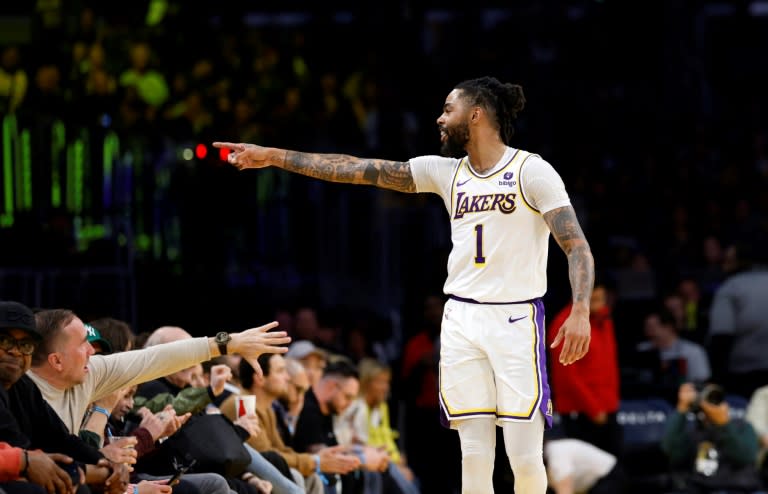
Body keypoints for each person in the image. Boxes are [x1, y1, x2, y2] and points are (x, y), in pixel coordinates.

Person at [214, 75, 595, 493]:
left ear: (476, 114)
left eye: (448, 110)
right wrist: (274, 156)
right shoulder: (447, 173)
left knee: (523, 455)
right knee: (473, 453)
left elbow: (576, 246)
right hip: (461, 317)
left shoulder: (531, 170)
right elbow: (358, 169)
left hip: (514, 316)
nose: (440, 118)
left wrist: (580, 310)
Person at [547, 283, 622, 456]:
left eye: (602, 299)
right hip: (581, 411)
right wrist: (593, 408)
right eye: (594, 300)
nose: (600, 305)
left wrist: (611, 403)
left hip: (608, 406)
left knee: (615, 467)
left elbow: (610, 366)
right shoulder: (564, 325)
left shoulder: (604, 319)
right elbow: (567, 376)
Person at [661, 382, 761, 493]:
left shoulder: (742, 427)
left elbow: (745, 457)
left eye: (716, 396)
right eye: (708, 397)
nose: (712, 400)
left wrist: (724, 424)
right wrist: (682, 409)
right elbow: (671, 453)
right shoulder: (691, 431)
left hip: (736, 488)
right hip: (701, 488)